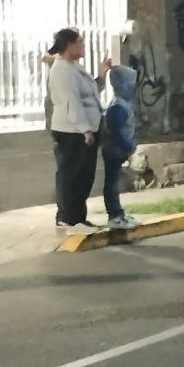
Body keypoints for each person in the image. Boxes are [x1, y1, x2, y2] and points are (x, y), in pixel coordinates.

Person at [48, 28, 108, 230]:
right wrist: (85, 130)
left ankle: (77, 217)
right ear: (69, 45)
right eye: (80, 42)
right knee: (71, 174)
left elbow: (88, 95)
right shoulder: (62, 69)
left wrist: (101, 76)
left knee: (84, 175)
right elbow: (71, 102)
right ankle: (68, 217)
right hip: (71, 131)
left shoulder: (74, 66)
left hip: (85, 127)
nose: (83, 46)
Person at [101, 65, 140, 230]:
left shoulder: (122, 103)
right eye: (129, 83)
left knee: (114, 182)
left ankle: (118, 213)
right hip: (113, 151)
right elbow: (115, 131)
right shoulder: (117, 106)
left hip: (117, 151)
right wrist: (127, 145)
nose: (133, 87)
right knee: (111, 184)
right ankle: (114, 215)